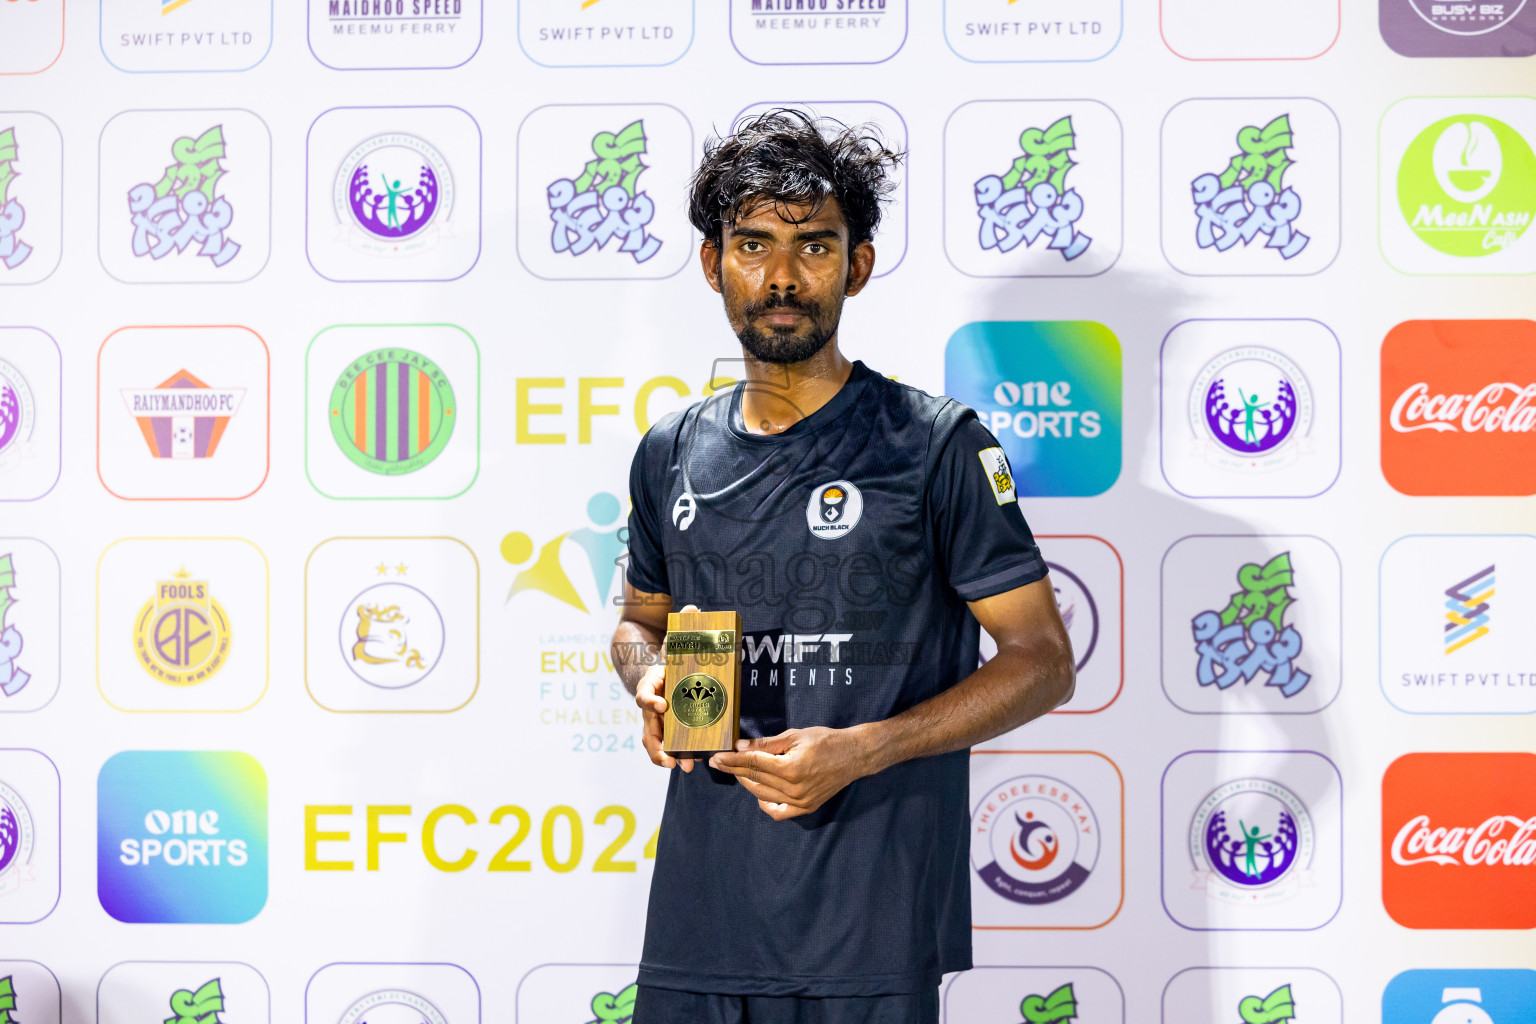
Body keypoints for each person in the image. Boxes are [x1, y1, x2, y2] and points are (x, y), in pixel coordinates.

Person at [610, 110, 1076, 1024]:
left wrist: (866, 748)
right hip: (699, 927)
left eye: (814, 246)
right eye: (753, 245)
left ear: (856, 266)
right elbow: (639, 623)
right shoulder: (669, 452)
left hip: (870, 930)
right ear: (714, 265)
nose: (782, 276)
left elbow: (1042, 661)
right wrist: (649, 676)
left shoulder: (937, 447)